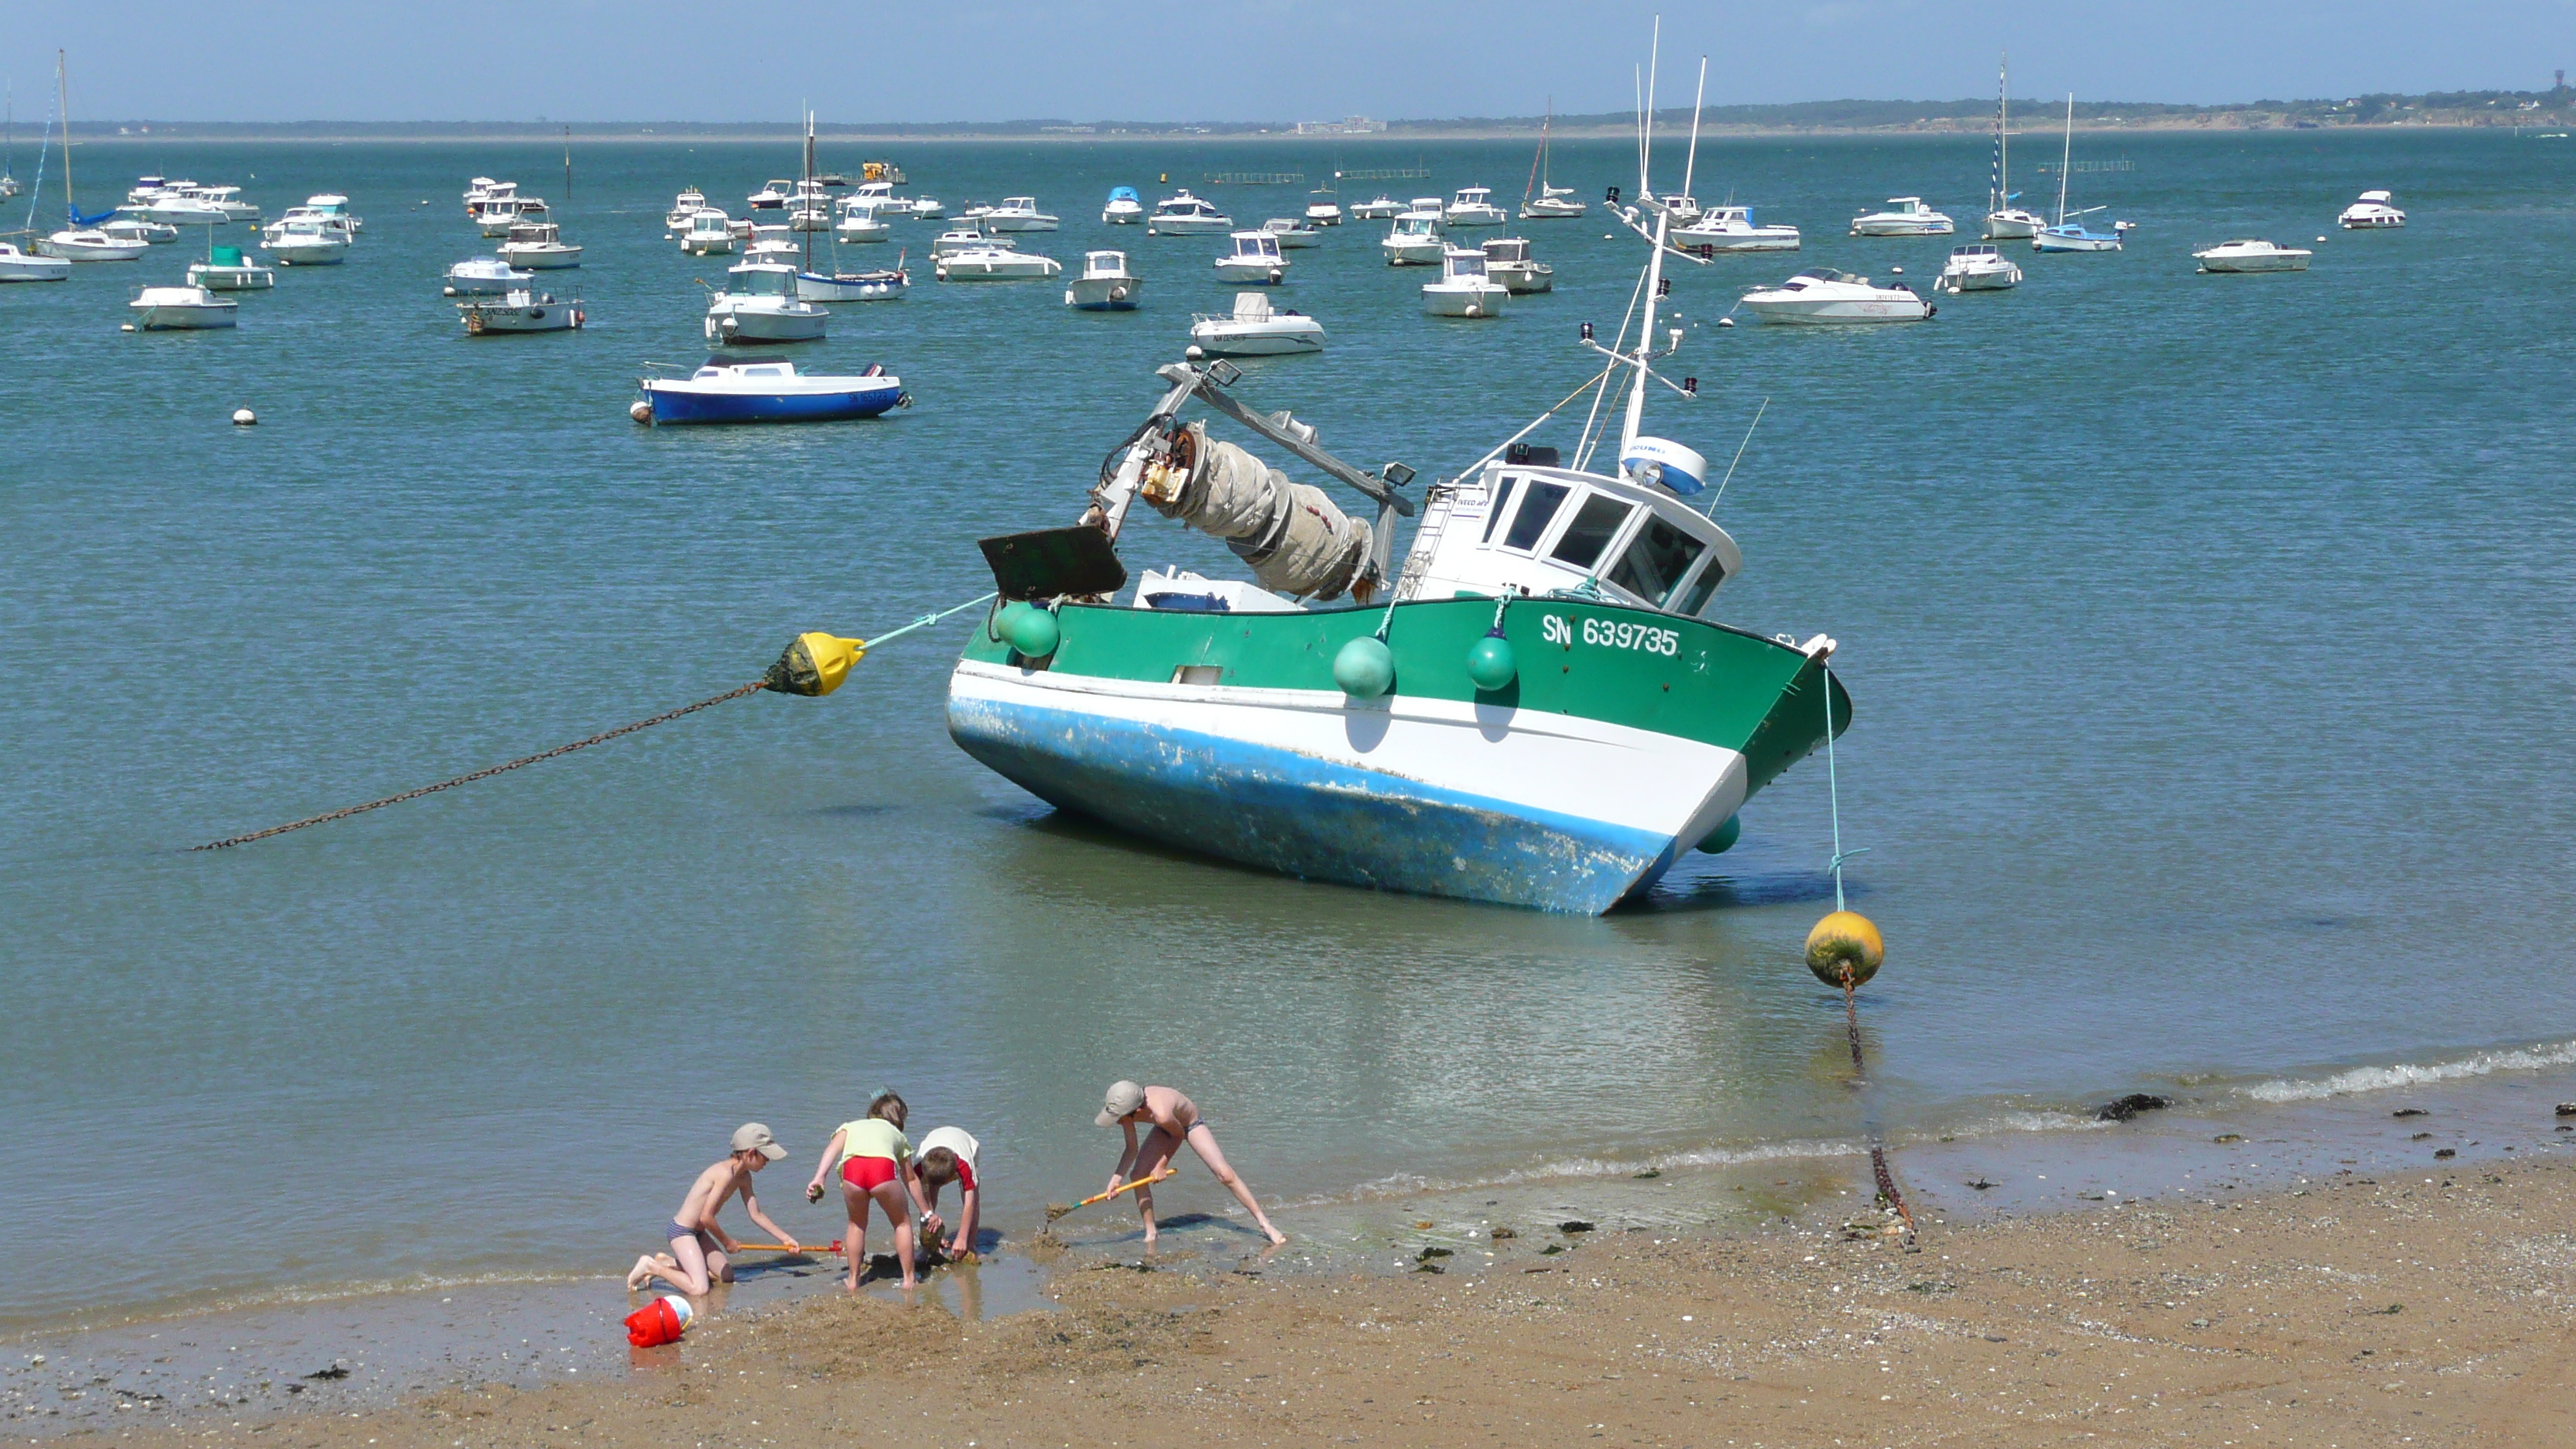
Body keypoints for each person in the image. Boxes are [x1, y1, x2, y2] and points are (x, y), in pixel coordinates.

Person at [1096, 1081, 1286, 1246]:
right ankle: (1151, 1232)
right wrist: (1116, 1178)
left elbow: (1178, 1135)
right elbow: (1131, 1149)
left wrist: (1161, 1165)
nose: (1118, 1122)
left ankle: (1265, 1224)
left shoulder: (1160, 1112)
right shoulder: (1126, 1110)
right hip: (1166, 1127)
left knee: (1225, 1175)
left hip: (1189, 1125)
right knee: (1137, 1175)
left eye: (1119, 1119)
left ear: (1136, 1111)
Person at [625, 1123, 796, 1295]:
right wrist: (727, 1242)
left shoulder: (744, 1177)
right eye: (765, 1156)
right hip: (682, 1232)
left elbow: (756, 1214)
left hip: (699, 1234)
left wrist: (786, 1239)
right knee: (699, 1289)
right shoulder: (724, 1174)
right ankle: (652, 1266)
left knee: (726, 1276)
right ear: (751, 1153)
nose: (767, 1161)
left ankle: (667, 1263)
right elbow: (706, 1217)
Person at [807, 1090, 935, 1292]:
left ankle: (853, 1280)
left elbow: (831, 1150)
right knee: (902, 1223)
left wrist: (819, 1177)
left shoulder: (850, 1127)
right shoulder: (897, 1135)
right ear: (899, 1118)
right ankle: (909, 1280)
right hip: (881, 1170)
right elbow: (910, 1178)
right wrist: (927, 1211)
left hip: (852, 1171)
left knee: (856, 1224)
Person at [915, 1125, 982, 1262]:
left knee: (972, 1198)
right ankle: (930, 1246)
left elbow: (970, 1203)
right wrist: (931, 1232)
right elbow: (923, 1204)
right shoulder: (918, 1167)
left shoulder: (964, 1165)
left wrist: (962, 1238)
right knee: (928, 1199)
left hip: (966, 1144)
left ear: (952, 1176)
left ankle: (970, 1245)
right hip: (933, 1143)